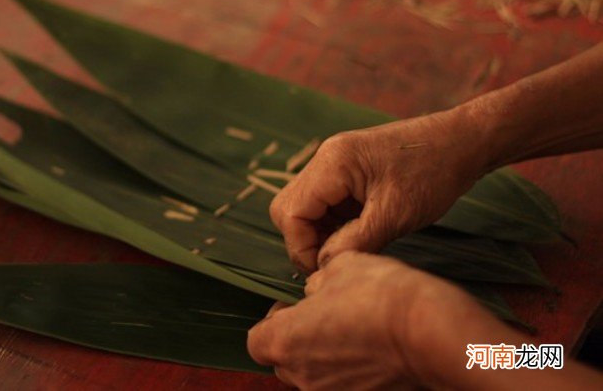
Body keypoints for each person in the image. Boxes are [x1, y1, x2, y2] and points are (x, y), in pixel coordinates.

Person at [247, 42, 603, 389]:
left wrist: (421, 338)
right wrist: (472, 134)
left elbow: (540, 363)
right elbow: (547, 361)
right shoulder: (544, 357)